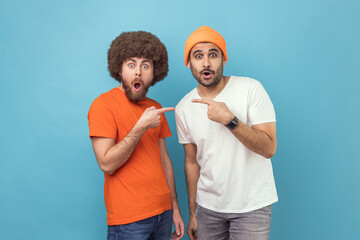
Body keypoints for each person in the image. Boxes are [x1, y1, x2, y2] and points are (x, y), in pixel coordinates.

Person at [175, 26, 278, 240]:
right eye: (198, 56)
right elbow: (192, 162)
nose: (206, 63)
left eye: (213, 54)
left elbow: (269, 148)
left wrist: (230, 121)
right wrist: (192, 213)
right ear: (189, 63)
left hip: (252, 207)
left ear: (224, 59)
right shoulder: (183, 107)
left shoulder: (251, 89)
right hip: (207, 209)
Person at [88, 31, 184, 240]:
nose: (138, 73)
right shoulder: (103, 105)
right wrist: (141, 127)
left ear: (154, 72)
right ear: (119, 69)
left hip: (163, 214)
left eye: (145, 65)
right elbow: (106, 164)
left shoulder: (154, 108)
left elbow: (164, 160)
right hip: (129, 221)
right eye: (131, 65)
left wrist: (175, 208)